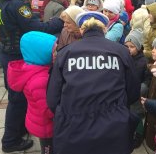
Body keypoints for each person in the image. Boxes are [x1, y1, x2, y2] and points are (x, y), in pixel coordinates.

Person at [47, 11, 140, 154]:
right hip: (114, 127)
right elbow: (133, 91)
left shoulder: (65, 53)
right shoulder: (121, 51)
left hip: (73, 129)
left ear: (82, 29)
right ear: (104, 29)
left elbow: (52, 99)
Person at [0, 0, 64, 153]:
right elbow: (36, 28)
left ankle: (22, 128)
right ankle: (10, 140)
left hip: (6, 52)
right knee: (17, 99)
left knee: (18, 95)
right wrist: (59, 21)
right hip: (18, 54)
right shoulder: (17, 4)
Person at [8, 31, 56, 154]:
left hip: (38, 120)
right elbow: (48, 110)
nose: (57, 53)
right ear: (41, 53)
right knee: (48, 150)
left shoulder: (33, 67)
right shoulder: (40, 80)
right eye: (54, 50)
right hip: (46, 127)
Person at [124, 29, 151, 148]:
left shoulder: (144, 61)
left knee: (137, 116)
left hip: (138, 95)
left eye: (132, 47)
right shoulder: (124, 58)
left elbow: (147, 79)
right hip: (126, 93)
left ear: (139, 47)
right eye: (126, 46)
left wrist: (141, 89)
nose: (128, 49)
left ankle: (138, 136)